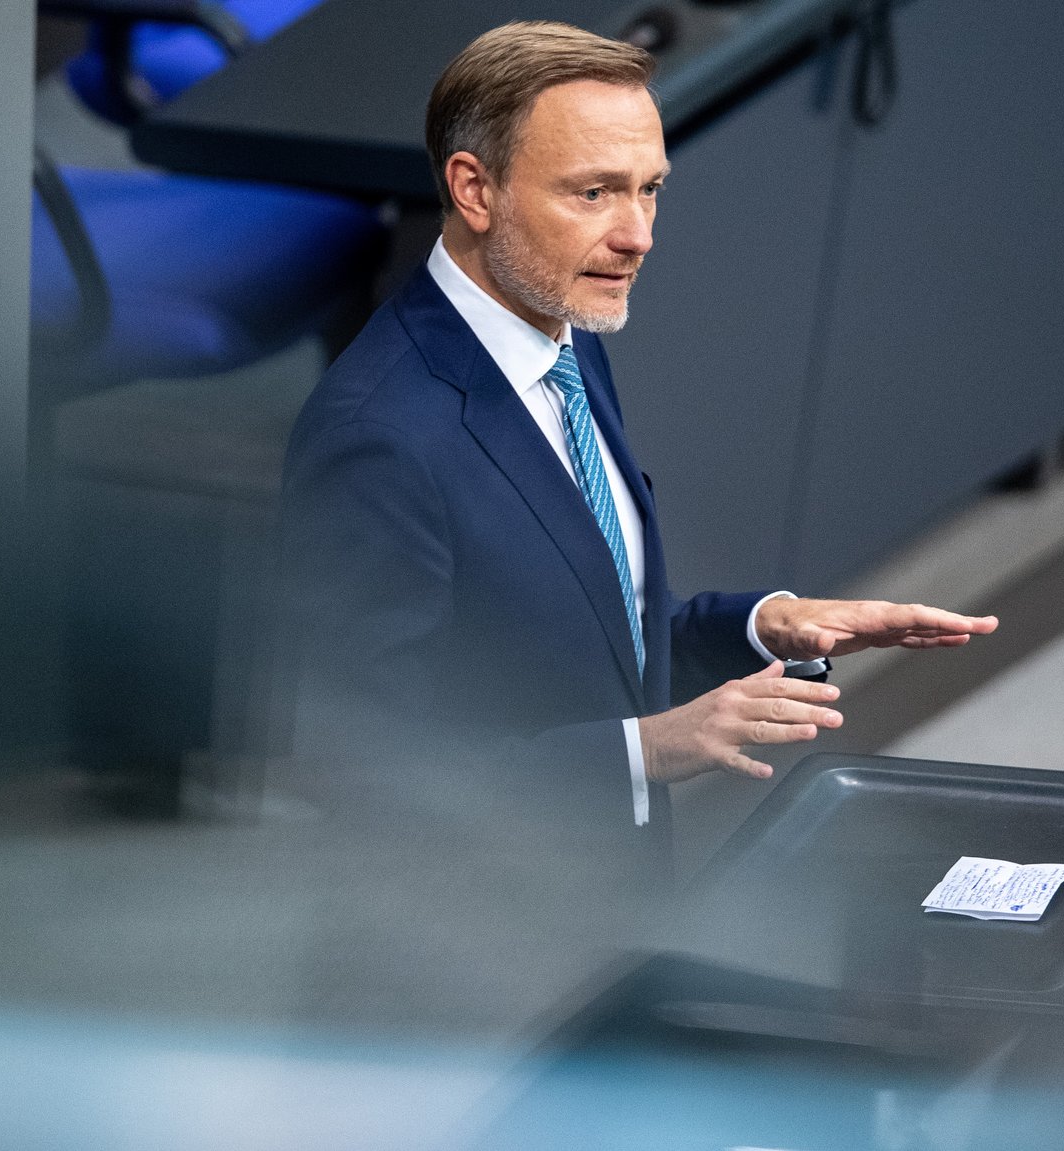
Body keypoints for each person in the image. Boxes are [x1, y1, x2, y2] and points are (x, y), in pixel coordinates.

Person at [280, 21, 996, 866]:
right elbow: (363, 773)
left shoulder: (565, 338)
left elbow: (592, 644)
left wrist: (770, 628)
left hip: (608, 904)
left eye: (648, 189)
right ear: (474, 189)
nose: (638, 234)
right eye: (593, 193)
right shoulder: (378, 437)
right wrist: (648, 751)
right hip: (469, 962)